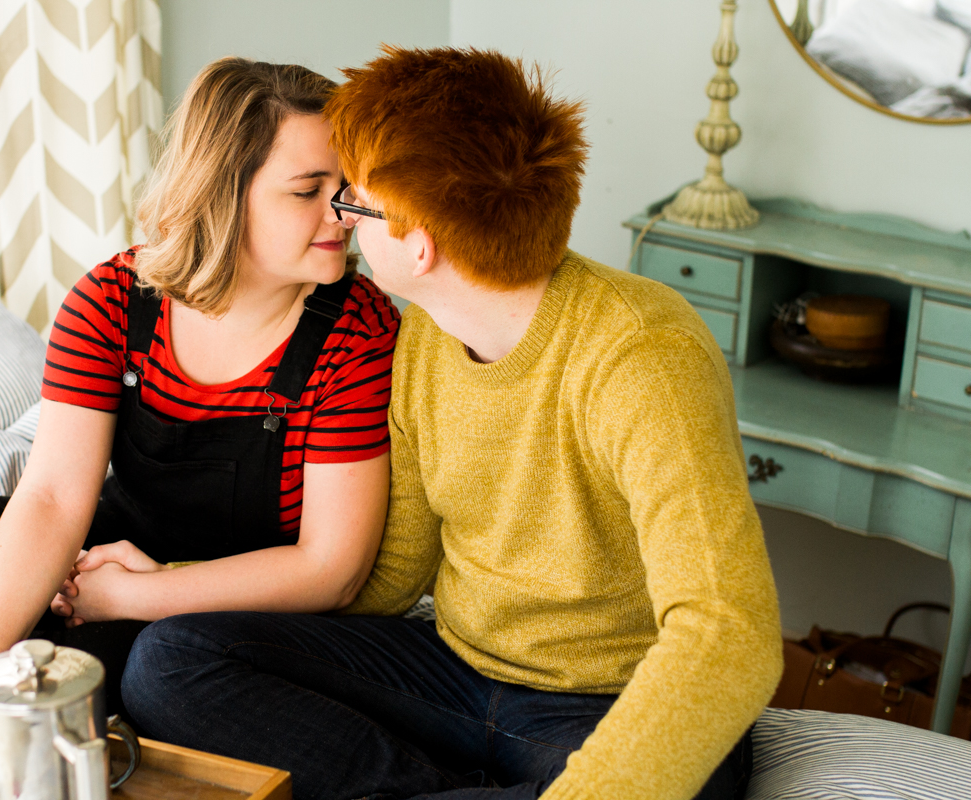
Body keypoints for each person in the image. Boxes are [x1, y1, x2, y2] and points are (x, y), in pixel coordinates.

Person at [120, 47, 783, 800]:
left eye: (354, 202)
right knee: (169, 663)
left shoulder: (642, 354)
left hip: (603, 706)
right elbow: (391, 577)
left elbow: (731, 635)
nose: (340, 218)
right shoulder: (423, 336)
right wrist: (174, 584)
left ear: (417, 243)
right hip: (453, 673)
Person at [0, 58, 399, 711]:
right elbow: (55, 498)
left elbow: (331, 571)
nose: (343, 215)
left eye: (345, 189)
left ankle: (34, 677)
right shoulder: (115, 299)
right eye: (308, 190)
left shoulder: (358, 329)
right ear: (222, 192)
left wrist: (131, 595)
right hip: (116, 540)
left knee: (156, 669)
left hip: (243, 597)